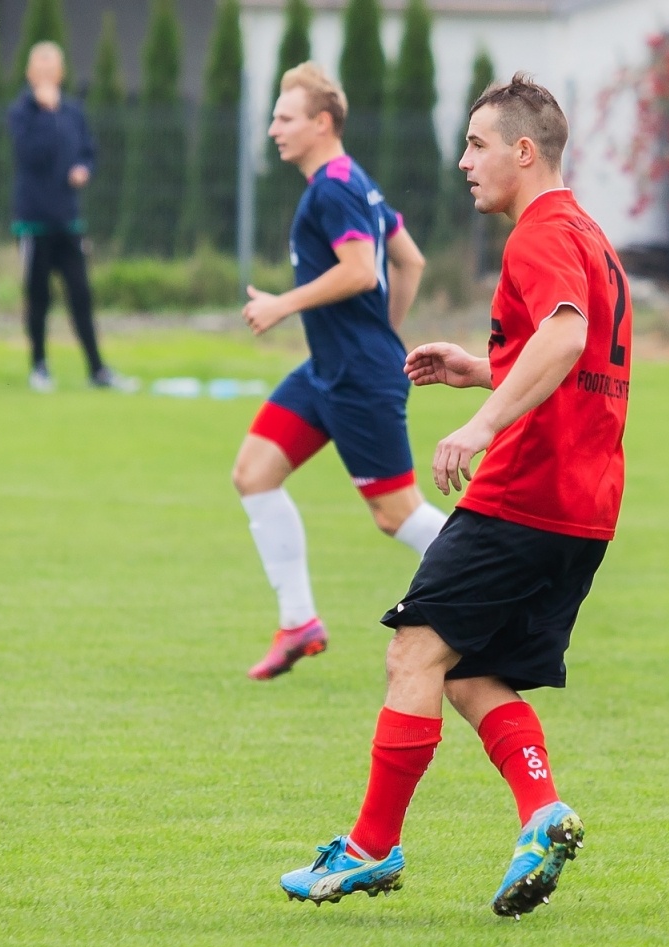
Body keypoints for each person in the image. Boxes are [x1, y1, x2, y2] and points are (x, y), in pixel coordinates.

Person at [279, 73, 632, 919]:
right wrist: (484, 368)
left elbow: (566, 335)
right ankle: (542, 813)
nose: (465, 162)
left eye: (477, 145)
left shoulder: (539, 234)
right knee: (472, 672)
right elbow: (578, 356)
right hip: (585, 507)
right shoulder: (589, 233)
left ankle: (371, 846)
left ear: (523, 151)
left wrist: (480, 423)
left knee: (413, 652)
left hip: (522, 492)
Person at [234, 63, 440, 681]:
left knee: (396, 515)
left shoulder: (332, 189)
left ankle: (504, 579)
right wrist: (385, 332)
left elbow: (360, 271)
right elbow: (410, 261)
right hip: (328, 369)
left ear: (321, 123)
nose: (274, 129)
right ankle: (299, 623)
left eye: (285, 118)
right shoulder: (355, 181)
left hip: (357, 376)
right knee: (254, 473)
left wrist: (282, 304)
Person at [8, 42, 134, 394]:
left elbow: (88, 152)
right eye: (40, 70)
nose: (46, 77)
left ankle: (97, 369)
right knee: (38, 296)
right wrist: (46, 113)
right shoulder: (22, 113)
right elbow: (30, 154)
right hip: (34, 220)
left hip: (68, 219)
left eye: (52, 70)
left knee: (81, 293)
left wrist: (83, 169)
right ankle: (39, 367)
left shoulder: (74, 112)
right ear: (30, 74)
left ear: (61, 73)